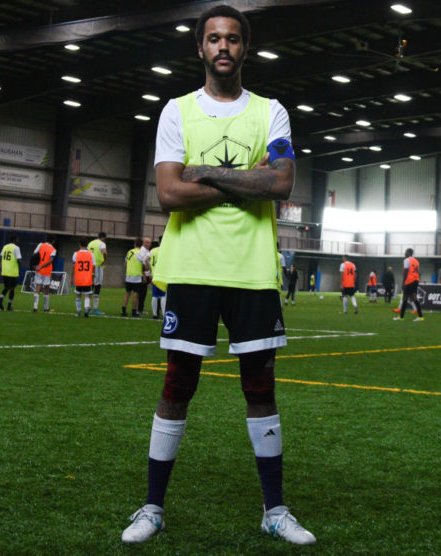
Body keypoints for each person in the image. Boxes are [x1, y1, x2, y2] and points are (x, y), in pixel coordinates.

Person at [121, 6, 315, 546]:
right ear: (200, 50)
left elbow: (281, 185)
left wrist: (204, 171)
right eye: (213, 39)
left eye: (232, 39)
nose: (223, 47)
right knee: (176, 387)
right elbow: (169, 194)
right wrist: (241, 178)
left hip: (252, 271)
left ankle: (275, 510)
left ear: (244, 49)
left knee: (261, 388)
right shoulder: (177, 111)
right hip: (194, 269)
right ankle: (153, 507)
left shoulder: (271, 112)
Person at [394, 248, 423, 321]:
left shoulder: (407, 260)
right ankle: (420, 317)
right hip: (416, 280)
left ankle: (401, 317)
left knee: (405, 298)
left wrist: (403, 282)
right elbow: (417, 271)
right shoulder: (416, 261)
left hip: (409, 281)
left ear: (408, 253)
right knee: (414, 298)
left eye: (405, 252)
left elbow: (406, 271)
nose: (404, 253)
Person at [122, 238, 149, 317]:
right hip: (136, 276)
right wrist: (147, 268)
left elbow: (125, 264)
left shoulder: (129, 252)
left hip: (128, 275)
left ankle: (123, 310)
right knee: (135, 294)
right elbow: (145, 266)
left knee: (127, 293)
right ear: (142, 245)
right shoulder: (140, 253)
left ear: (134, 244)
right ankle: (134, 311)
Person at [72, 238, 96, 317]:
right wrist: (93, 275)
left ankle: (79, 311)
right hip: (87, 278)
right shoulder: (91, 254)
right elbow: (93, 267)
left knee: (78, 295)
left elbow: (73, 267)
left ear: (79, 244)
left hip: (79, 278)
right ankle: (86, 310)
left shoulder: (76, 254)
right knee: (87, 295)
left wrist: (72, 278)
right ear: (87, 245)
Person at [33, 235, 57, 312]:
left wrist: (34, 265)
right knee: (46, 288)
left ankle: (35, 306)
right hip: (46, 270)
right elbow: (50, 260)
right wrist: (42, 266)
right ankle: (46, 308)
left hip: (38, 269)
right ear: (53, 241)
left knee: (38, 287)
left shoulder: (41, 245)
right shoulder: (53, 249)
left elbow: (34, 254)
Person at [0, 235, 21, 311]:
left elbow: (1, 257)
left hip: (5, 270)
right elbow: (18, 259)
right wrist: (20, 263)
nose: (18, 241)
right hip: (12, 271)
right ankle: (9, 306)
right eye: (17, 239)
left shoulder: (5, 247)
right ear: (15, 240)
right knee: (12, 288)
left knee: (7, 287)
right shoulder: (16, 248)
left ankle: (1, 300)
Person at [87, 232, 108, 315]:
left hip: (90, 267)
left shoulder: (90, 243)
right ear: (103, 238)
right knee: (98, 285)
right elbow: (104, 252)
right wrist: (104, 260)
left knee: (90, 285)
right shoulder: (102, 243)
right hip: (98, 266)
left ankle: (87, 307)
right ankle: (95, 309)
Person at [149, 239, 166, 319]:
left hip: (154, 275)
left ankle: (155, 314)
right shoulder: (165, 249)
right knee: (163, 295)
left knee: (155, 296)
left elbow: (147, 260)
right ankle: (163, 314)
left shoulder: (152, 250)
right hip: (162, 275)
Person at [137, 237, 153, 315]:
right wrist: (143, 274)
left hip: (147, 274)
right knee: (142, 292)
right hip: (143, 275)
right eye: (147, 242)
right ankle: (140, 309)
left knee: (143, 292)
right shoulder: (142, 251)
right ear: (143, 243)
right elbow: (142, 263)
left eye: (150, 242)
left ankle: (140, 308)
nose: (149, 244)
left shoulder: (147, 251)